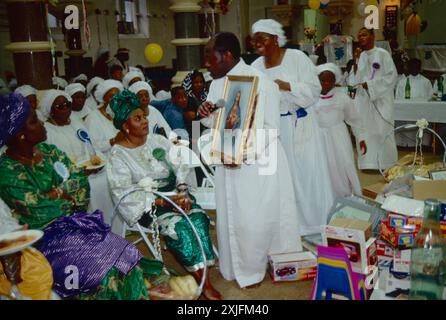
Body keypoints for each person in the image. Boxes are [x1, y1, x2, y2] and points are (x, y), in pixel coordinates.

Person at [0, 93, 191, 300]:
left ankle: (143, 290)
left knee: (123, 252)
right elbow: (38, 210)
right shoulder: (7, 170)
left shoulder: (49, 152)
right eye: (34, 121)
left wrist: (57, 194)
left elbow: (81, 186)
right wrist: (64, 194)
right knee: (100, 268)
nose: (42, 123)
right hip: (46, 238)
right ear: (20, 134)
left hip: (76, 224)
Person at [197, 32, 301, 288]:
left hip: (257, 162)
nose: (207, 65)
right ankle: (235, 267)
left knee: (257, 216)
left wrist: (243, 153)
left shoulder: (262, 83)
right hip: (228, 161)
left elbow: (270, 128)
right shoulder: (216, 84)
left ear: (228, 55)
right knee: (232, 215)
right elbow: (217, 123)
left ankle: (255, 268)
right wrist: (205, 115)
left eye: (211, 58)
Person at [106, 90, 222, 300]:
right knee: (177, 227)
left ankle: (200, 275)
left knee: (199, 218)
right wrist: (163, 201)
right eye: (137, 118)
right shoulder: (118, 155)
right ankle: (205, 284)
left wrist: (182, 190)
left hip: (177, 195)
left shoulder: (157, 141)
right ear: (125, 125)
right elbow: (122, 193)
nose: (144, 122)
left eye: (144, 116)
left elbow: (179, 165)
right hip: (149, 206)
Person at [251, 19, 335, 235]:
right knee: (279, 180)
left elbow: (314, 90)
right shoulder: (255, 67)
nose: (257, 43)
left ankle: (315, 225)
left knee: (307, 176)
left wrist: (287, 86)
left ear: (276, 40)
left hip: (300, 126)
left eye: (263, 38)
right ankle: (289, 228)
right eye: (255, 39)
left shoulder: (297, 58)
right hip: (273, 131)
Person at [40, 89, 115, 224]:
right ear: (50, 111)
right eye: (60, 107)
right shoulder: (46, 131)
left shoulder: (76, 123)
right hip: (66, 175)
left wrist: (96, 160)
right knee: (91, 184)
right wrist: (78, 171)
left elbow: (91, 145)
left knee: (108, 177)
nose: (66, 109)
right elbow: (51, 164)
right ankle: (93, 226)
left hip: (90, 167)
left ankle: (111, 224)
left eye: (68, 104)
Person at [349, 27, 398, 170]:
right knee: (364, 131)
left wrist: (371, 85)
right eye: (359, 35)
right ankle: (368, 163)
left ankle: (387, 163)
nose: (361, 38)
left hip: (381, 99)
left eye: (364, 34)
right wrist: (356, 60)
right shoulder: (361, 56)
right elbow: (354, 80)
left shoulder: (382, 54)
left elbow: (391, 77)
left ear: (372, 36)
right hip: (364, 101)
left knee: (382, 130)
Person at [315, 63, 366, 198]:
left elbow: (354, 119)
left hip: (339, 136)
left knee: (344, 164)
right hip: (318, 138)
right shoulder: (311, 99)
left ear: (335, 81)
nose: (326, 83)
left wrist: (360, 138)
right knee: (324, 166)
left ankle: (346, 194)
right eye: (322, 80)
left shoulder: (343, 98)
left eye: (330, 80)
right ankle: (325, 197)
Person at [395, 58, 433, 147]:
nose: (414, 69)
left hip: (422, 112)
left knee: (424, 120)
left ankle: (423, 144)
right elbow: (397, 99)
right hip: (405, 113)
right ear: (409, 68)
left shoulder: (426, 81)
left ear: (420, 68)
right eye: (412, 67)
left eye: (417, 67)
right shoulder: (402, 82)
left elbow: (430, 99)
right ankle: (404, 143)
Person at [84, 80, 124, 155]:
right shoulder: (93, 118)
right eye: (111, 96)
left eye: (118, 96)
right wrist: (113, 141)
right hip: (106, 162)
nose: (116, 100)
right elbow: (91, 146)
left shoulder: (122, 113)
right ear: (103, 99)